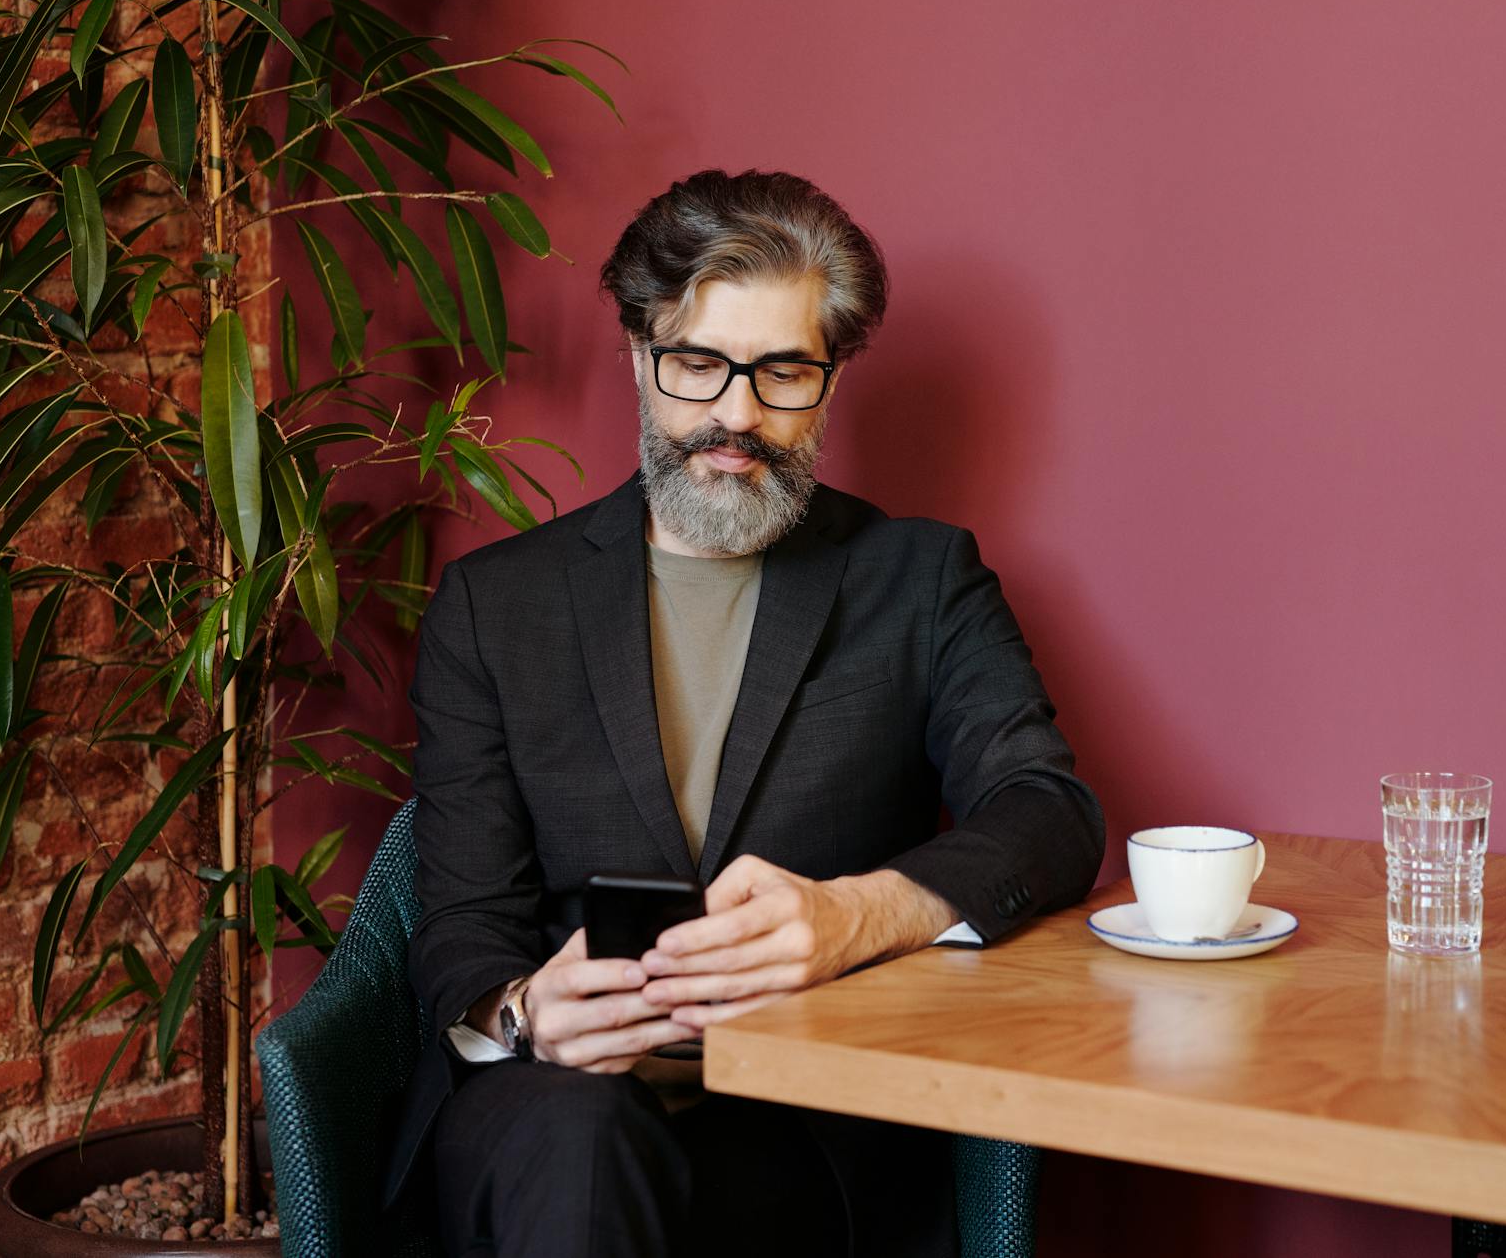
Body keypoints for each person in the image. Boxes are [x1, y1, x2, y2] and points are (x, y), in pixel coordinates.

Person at [380, 169, 1104, 1257]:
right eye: (698, 364)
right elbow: (462, 923)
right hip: (553, 1113)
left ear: (832, 376)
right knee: (576, 1148)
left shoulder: (920, 578)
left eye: (783, 372)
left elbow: (1048, 809)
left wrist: (855, 915)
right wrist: (526, 1010)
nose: (736, 414)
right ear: (639, 354)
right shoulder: (496, 608)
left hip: (802, 1134)